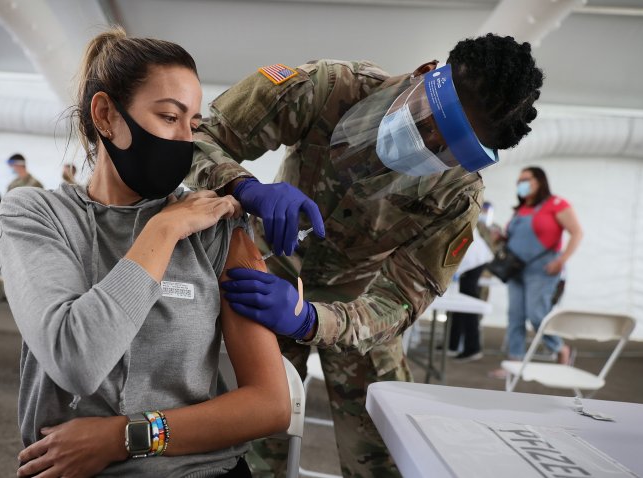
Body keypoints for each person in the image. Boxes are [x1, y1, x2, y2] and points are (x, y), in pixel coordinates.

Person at [187, 34, 544, 477]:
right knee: (254, 445)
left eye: (450, 148)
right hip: (267, 282)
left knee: (390, 448)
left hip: (357, 306)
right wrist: (243, 186)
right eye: (431, 119)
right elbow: (197, 137)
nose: (428, 142)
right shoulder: (329, 88)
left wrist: (312, 320)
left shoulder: (457, 194)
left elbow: (399, 300)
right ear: (423, 75)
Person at [0, 28, 290, 478]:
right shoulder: (37, 214)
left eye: (192, 124)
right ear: (106, 115)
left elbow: (270, 405)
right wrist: (165, 227)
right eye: (169, 117)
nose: (184, 140)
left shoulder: (217, 227)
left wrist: (124, 437)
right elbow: (77, 359)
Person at [501, 167, 582, 366]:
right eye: (519, 180)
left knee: (536, 315)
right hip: (515, 270)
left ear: (540, 181)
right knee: (515, 317)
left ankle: (561, 348)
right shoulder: (520, 209)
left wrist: (561, 261)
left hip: (543, 271)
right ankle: (515, 363)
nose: (521, 184)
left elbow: (577, 233)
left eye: (526, 179)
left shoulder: (556, 204)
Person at [447, 203, 495, 362]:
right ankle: (452, 344)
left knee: (468, 303)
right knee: (458, 302)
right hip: (470, 260)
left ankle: (472, 347)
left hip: (474, 262)